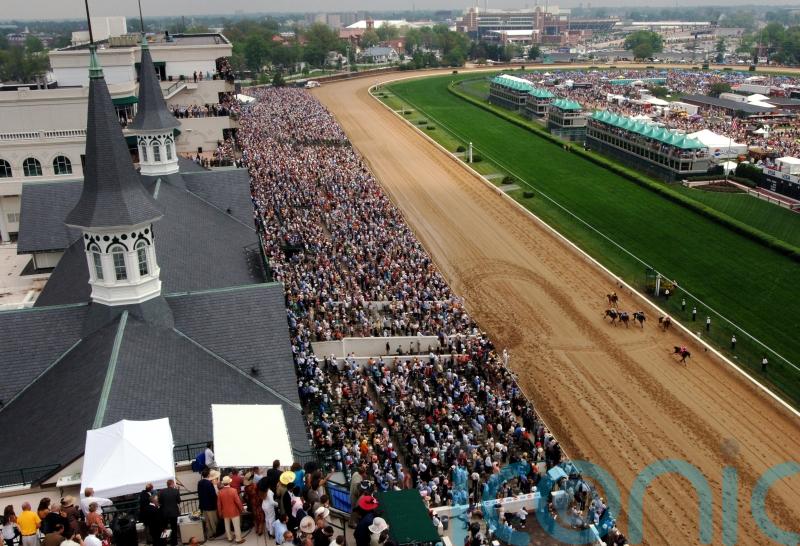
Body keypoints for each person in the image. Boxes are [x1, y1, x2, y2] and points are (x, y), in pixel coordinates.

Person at [217, 476, 244, 544]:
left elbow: (219, 504)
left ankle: (229, 538)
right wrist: (242, 509)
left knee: (227, 525)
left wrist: (220, 512)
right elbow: (238, 501)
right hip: (234, 511)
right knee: (236, 526)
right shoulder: (233, 490)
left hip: (225, 511)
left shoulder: (220, 492)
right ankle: (238, 539)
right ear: (229, 482)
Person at [198, 469, 220, 539]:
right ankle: (215, 533)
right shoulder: (209, 483)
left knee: (207, 522)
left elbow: (199, 494)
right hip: (210, 506)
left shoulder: (199, 482)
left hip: (203, 506)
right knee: (213, 521)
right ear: (208, 475)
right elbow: (212, 495)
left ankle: (209, 534)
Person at [158, 480, 181, 546]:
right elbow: (179, 501)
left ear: (167, 484)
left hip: (164, 513)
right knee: (174, 528)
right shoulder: (175, 491)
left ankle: (163, 543)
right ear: (172, 484)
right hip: (173, 513)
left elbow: (160, 501)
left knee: (164, 528)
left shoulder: (162, 491)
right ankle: (174, 543)